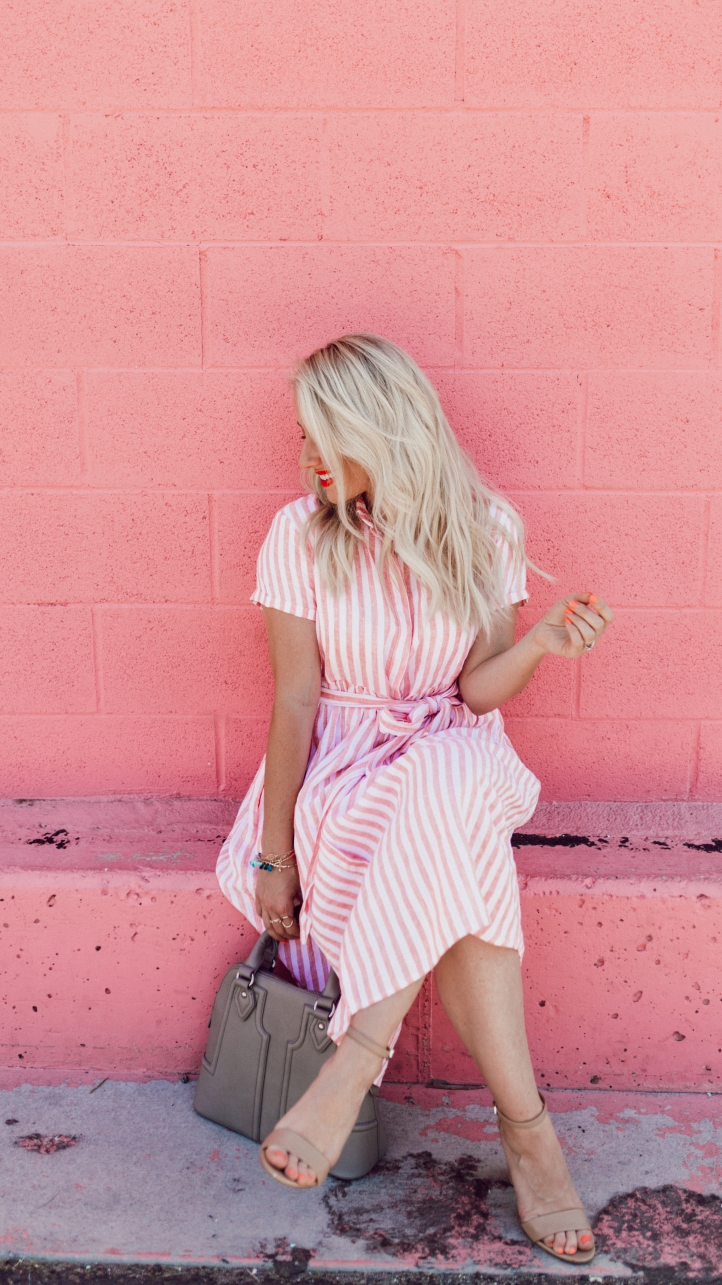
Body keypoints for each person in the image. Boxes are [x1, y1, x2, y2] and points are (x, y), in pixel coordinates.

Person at [217, 335, 612, 1264]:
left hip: (450, 756)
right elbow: (295, 700)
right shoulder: (296, 534)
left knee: (448, 771)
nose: (308, 458)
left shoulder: (488, 529)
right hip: (344, 782)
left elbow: (472, 694)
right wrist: (275, 851)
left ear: (382, 431)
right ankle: (529, 1133)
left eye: (326, 436)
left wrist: (543, 644)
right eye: (301, 437)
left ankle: (358, 1056)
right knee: (469, 880)